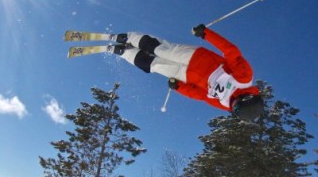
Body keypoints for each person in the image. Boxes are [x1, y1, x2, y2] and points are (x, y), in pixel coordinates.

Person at [111, 24, 264, 121]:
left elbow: (203, 96)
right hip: (196, 57)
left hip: (187, 77)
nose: (233, 104)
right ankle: (130, 37)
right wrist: (206, 34)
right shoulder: (244, 78)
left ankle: (125, 52)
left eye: (234, 108)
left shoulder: (227, 104)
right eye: (237, 104)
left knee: (155, 66)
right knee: (162, 51)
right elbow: (231, 52)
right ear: (247, 97)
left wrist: (179, 87)